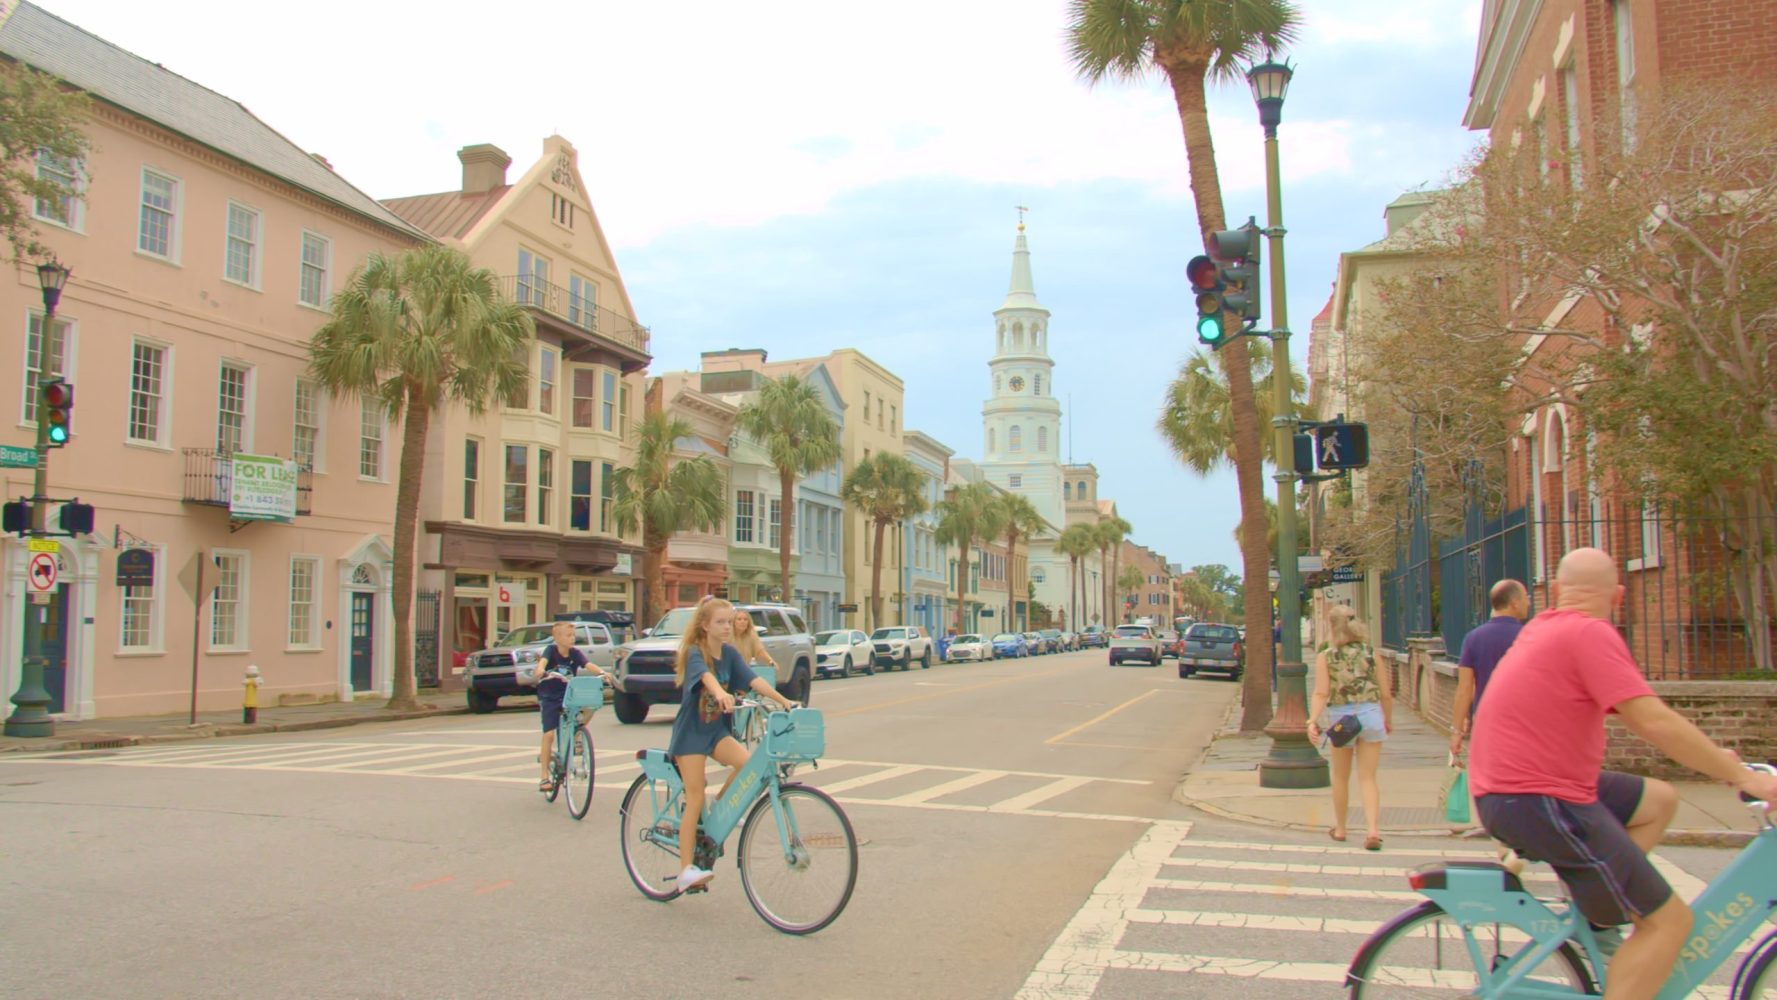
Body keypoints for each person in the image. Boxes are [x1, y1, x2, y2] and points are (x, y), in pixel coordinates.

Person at [1471, 548, 1777, 1000]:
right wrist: (1744, 777)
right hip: (1539, 799)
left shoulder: (1548, 627)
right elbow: (1653, 721)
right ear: (1619, 596)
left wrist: (1718, 760)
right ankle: (1619, 921)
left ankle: (1598, 916)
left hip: (1521, 792)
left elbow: (1650, 719)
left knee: (1658, 800)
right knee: (1667, 923)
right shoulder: (1589, 634)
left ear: (1554, 593)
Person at [667, 598, 798, 894]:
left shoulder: (730, 653)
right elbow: (706, 678)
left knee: (749, 766)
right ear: (705, 626)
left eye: (730, 622)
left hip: (716, 731)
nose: (727, 627)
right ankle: (686, 869)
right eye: (720, 622)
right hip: (691, 734)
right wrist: (720, 693)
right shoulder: (694, 652)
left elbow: (753, 681)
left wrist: (784, 701)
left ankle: (721, 808)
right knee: (695, 795)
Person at [1306, 604, 1393, 851]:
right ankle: (1373, 830)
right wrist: (1387, 719)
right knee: (1368, 777)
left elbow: (1321, 692)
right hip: (1371, 714)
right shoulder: (1370, 653)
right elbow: (1385, 693)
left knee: (1340, 777)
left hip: (1342, 719)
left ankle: (1341, 828)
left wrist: (1312, 720)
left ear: (1331, 627)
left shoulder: (1327, 656)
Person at [1450, 578, 1529, 756]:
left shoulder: (1473, 638)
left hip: (1486, 722)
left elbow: (1464, 689)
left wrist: (1456, 731)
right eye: (1526, 597)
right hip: (1523, 723)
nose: (1529, 602)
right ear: (1514, 603)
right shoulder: (1529, 637)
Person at [534, 621, 609, 793]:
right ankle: (544, 777)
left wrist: (602, 674)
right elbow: (543, 663)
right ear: (557, 638)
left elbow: (588, 665)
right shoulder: (551, 651)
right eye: (568, 635)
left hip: (568, 694)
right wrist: (540, 670)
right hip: (550, 697)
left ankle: (576, 733)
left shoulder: (575, 653)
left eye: (573, 635)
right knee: (549, 735)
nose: (572, 638)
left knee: (590, 706)